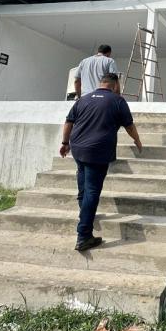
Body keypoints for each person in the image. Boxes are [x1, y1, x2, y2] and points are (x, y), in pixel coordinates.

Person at [59, 72, 142, 251]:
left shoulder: (82, 99)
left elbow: (68, 122)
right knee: (91, 192)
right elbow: (129, 125)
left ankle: (85, 215)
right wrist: (137, 140)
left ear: (100, 83)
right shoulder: (118, 101)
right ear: (115, 85)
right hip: (98, 151)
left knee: (83, 187)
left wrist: (65, 143)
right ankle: (84, 235)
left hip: (78, 149)